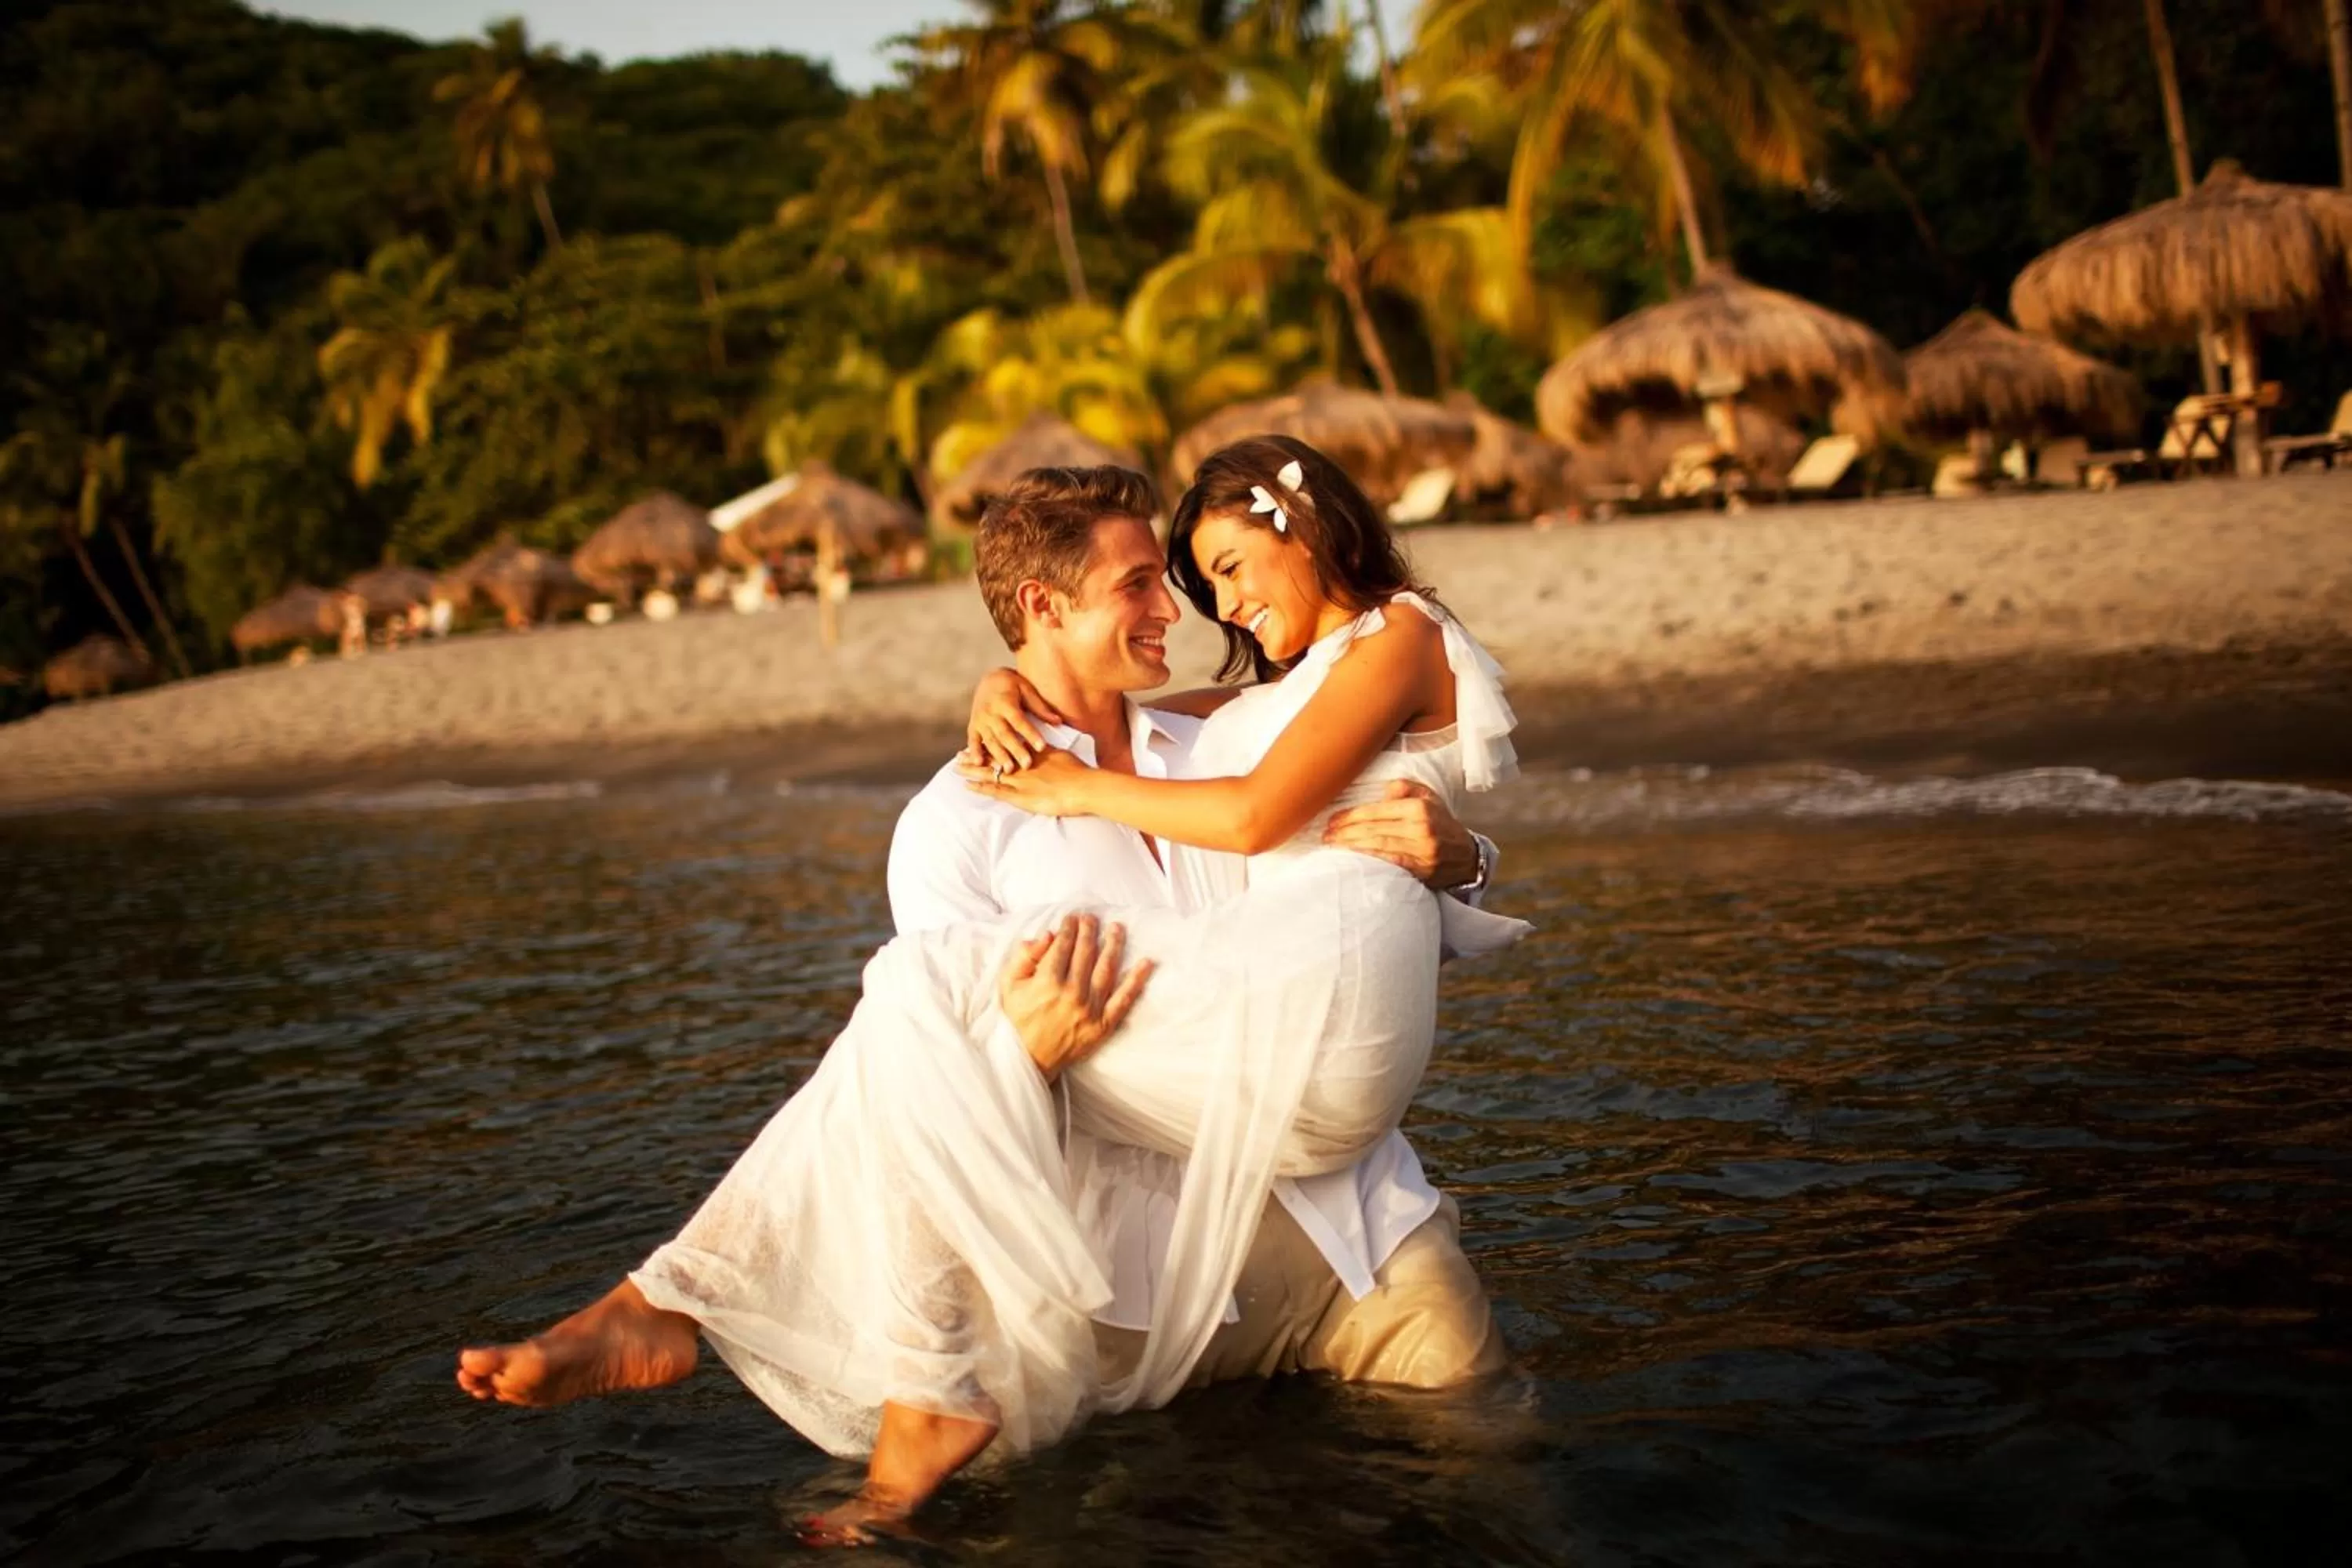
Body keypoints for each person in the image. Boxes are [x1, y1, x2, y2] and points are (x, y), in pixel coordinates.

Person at [457, 437, 1526, 1537]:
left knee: (1497, 1496)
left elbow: (1348, 905)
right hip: (1142, 1298)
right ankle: (711, 1315)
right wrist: (1021, 1051)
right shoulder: (955, 822)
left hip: (1354, 1239)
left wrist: (1465, 857)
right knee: (932, 1004)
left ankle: (716, 1319)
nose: (1185, 607)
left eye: (1191, 578)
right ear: (1041, 605)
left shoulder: (1220, 739)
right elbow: (932, 1114)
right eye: (1145, 583)